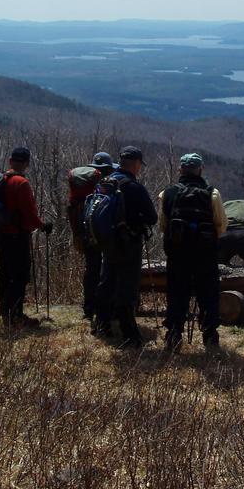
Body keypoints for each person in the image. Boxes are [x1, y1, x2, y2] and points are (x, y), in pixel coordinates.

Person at [158, 152, 227, 352]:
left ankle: (174, 334)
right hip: (205, 254)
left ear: (181, 170)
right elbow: (221, 226)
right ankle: (210, 337)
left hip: (177, 254)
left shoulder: (167, 193)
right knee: (208, 294)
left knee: (177, 292)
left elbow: (163, 226)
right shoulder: (212, 194)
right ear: (200, 170)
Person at [94, 146, 157, 348]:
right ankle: (130, 335)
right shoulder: (133, 187)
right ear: (136, 164)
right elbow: (152, 217)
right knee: (127, 288)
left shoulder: (105, 182)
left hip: (107, 241)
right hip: (128, 243)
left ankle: (101, 324)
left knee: (107, 282)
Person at [0, 146, 53, 329]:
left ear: (10, 161)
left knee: (4, 272)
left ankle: (6, 310)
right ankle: (15, 314)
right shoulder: (21, 184)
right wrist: (43, 225)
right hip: (17, 236)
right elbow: (30, 214)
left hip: (2, 234)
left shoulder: (0, 180)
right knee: (20, 276)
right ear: (26, 163)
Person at [68, 152, 115, 323]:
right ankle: (104, 307)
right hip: (101, 233)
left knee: (91, 269)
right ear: (107, 168)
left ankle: (88, 308)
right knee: (106, 270)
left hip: (84, 231)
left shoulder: (81, 182)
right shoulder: (104, 183)